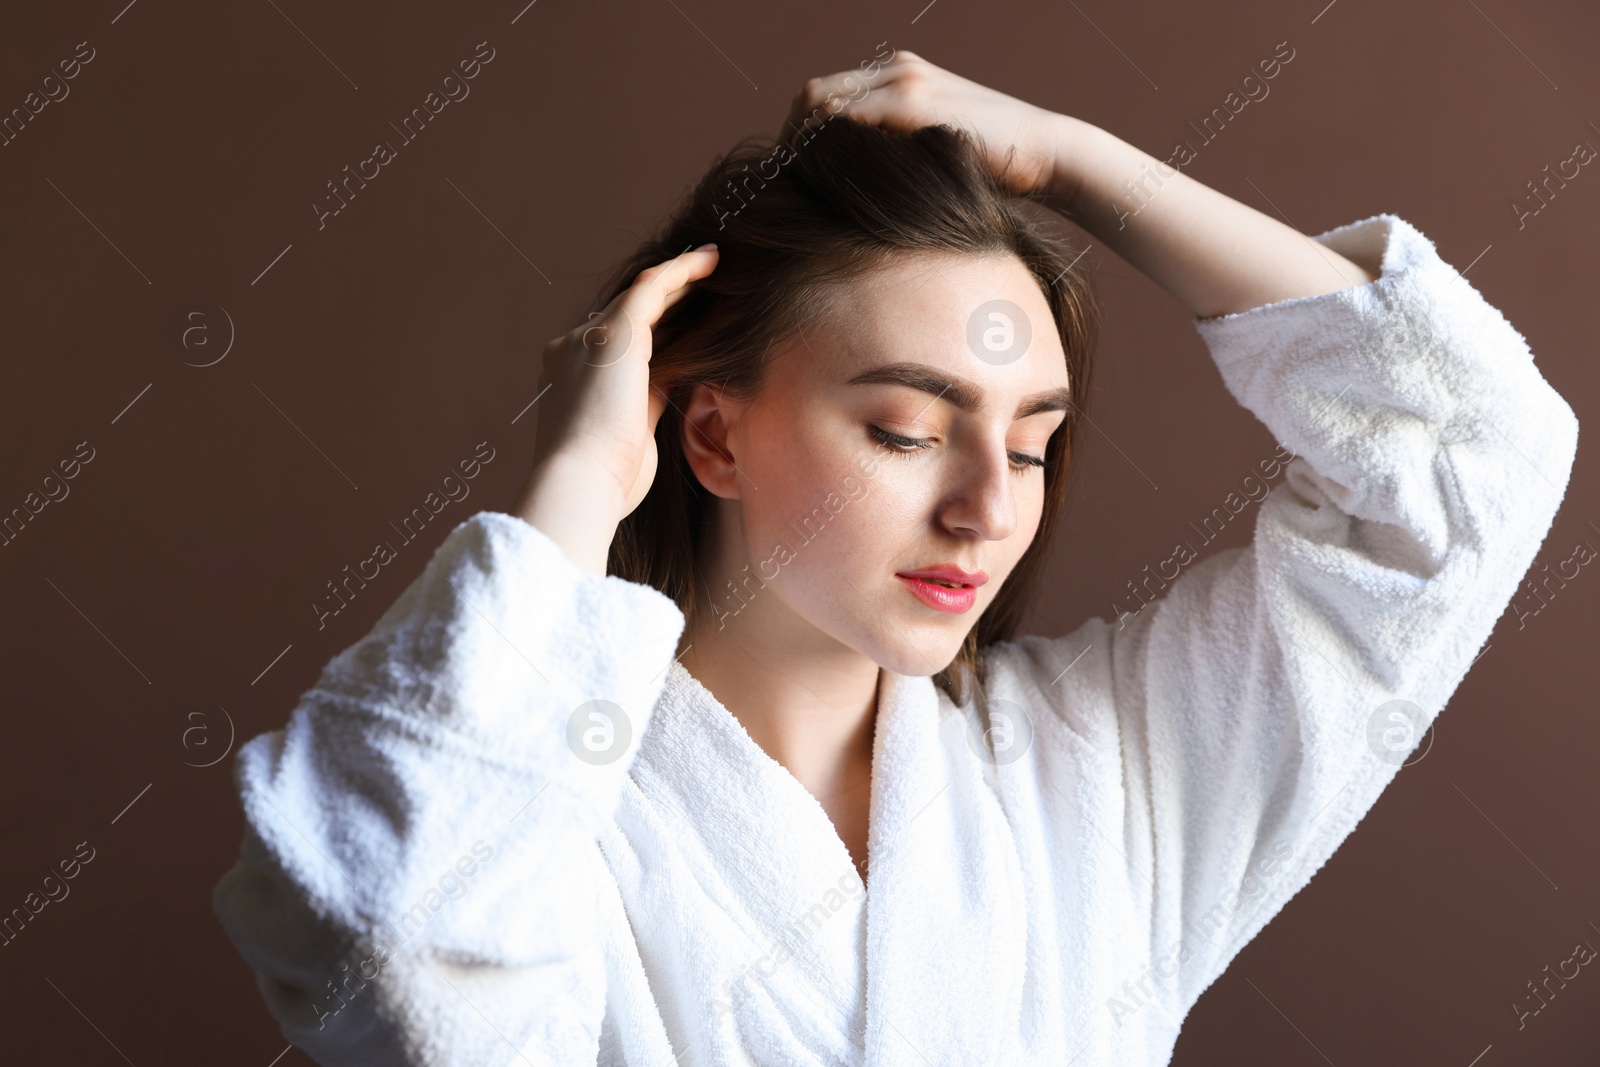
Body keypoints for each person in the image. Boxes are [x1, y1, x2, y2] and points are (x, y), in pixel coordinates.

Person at [212, 49, 1579, 1066]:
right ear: (709, 431)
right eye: (909, 429)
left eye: (1034, 443)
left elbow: (1466, 453)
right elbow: (375, 923)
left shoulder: (1108, 776)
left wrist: (1077, 156)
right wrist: (574, 491)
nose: (989, 504)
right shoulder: (542, 817)